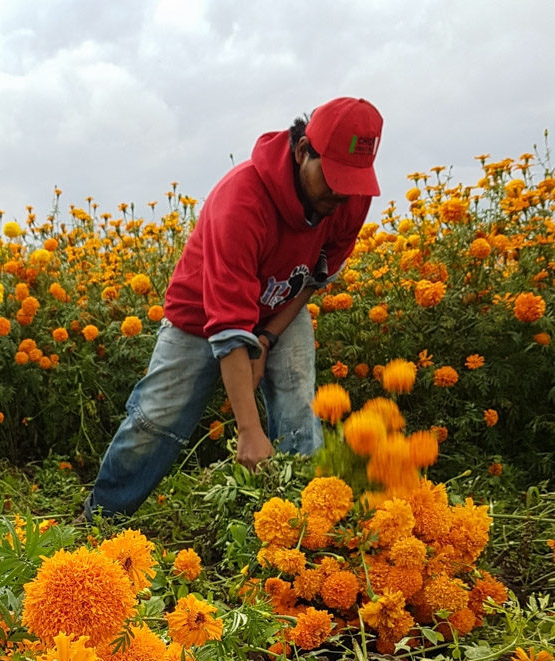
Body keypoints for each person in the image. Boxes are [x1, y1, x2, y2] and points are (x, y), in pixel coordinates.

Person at [84, 96, 383, 521]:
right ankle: (101, 520)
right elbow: (226, 326)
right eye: (332, 176)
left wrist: (268, 336)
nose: (341, 192)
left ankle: (308, 531)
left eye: (352, 181)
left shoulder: (348, 198)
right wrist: (248, 430)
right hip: (201, 317)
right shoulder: (242, 199)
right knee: (158, 420)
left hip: (279, 309)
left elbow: (313, 278)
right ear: (302, 152)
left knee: (299, 413)